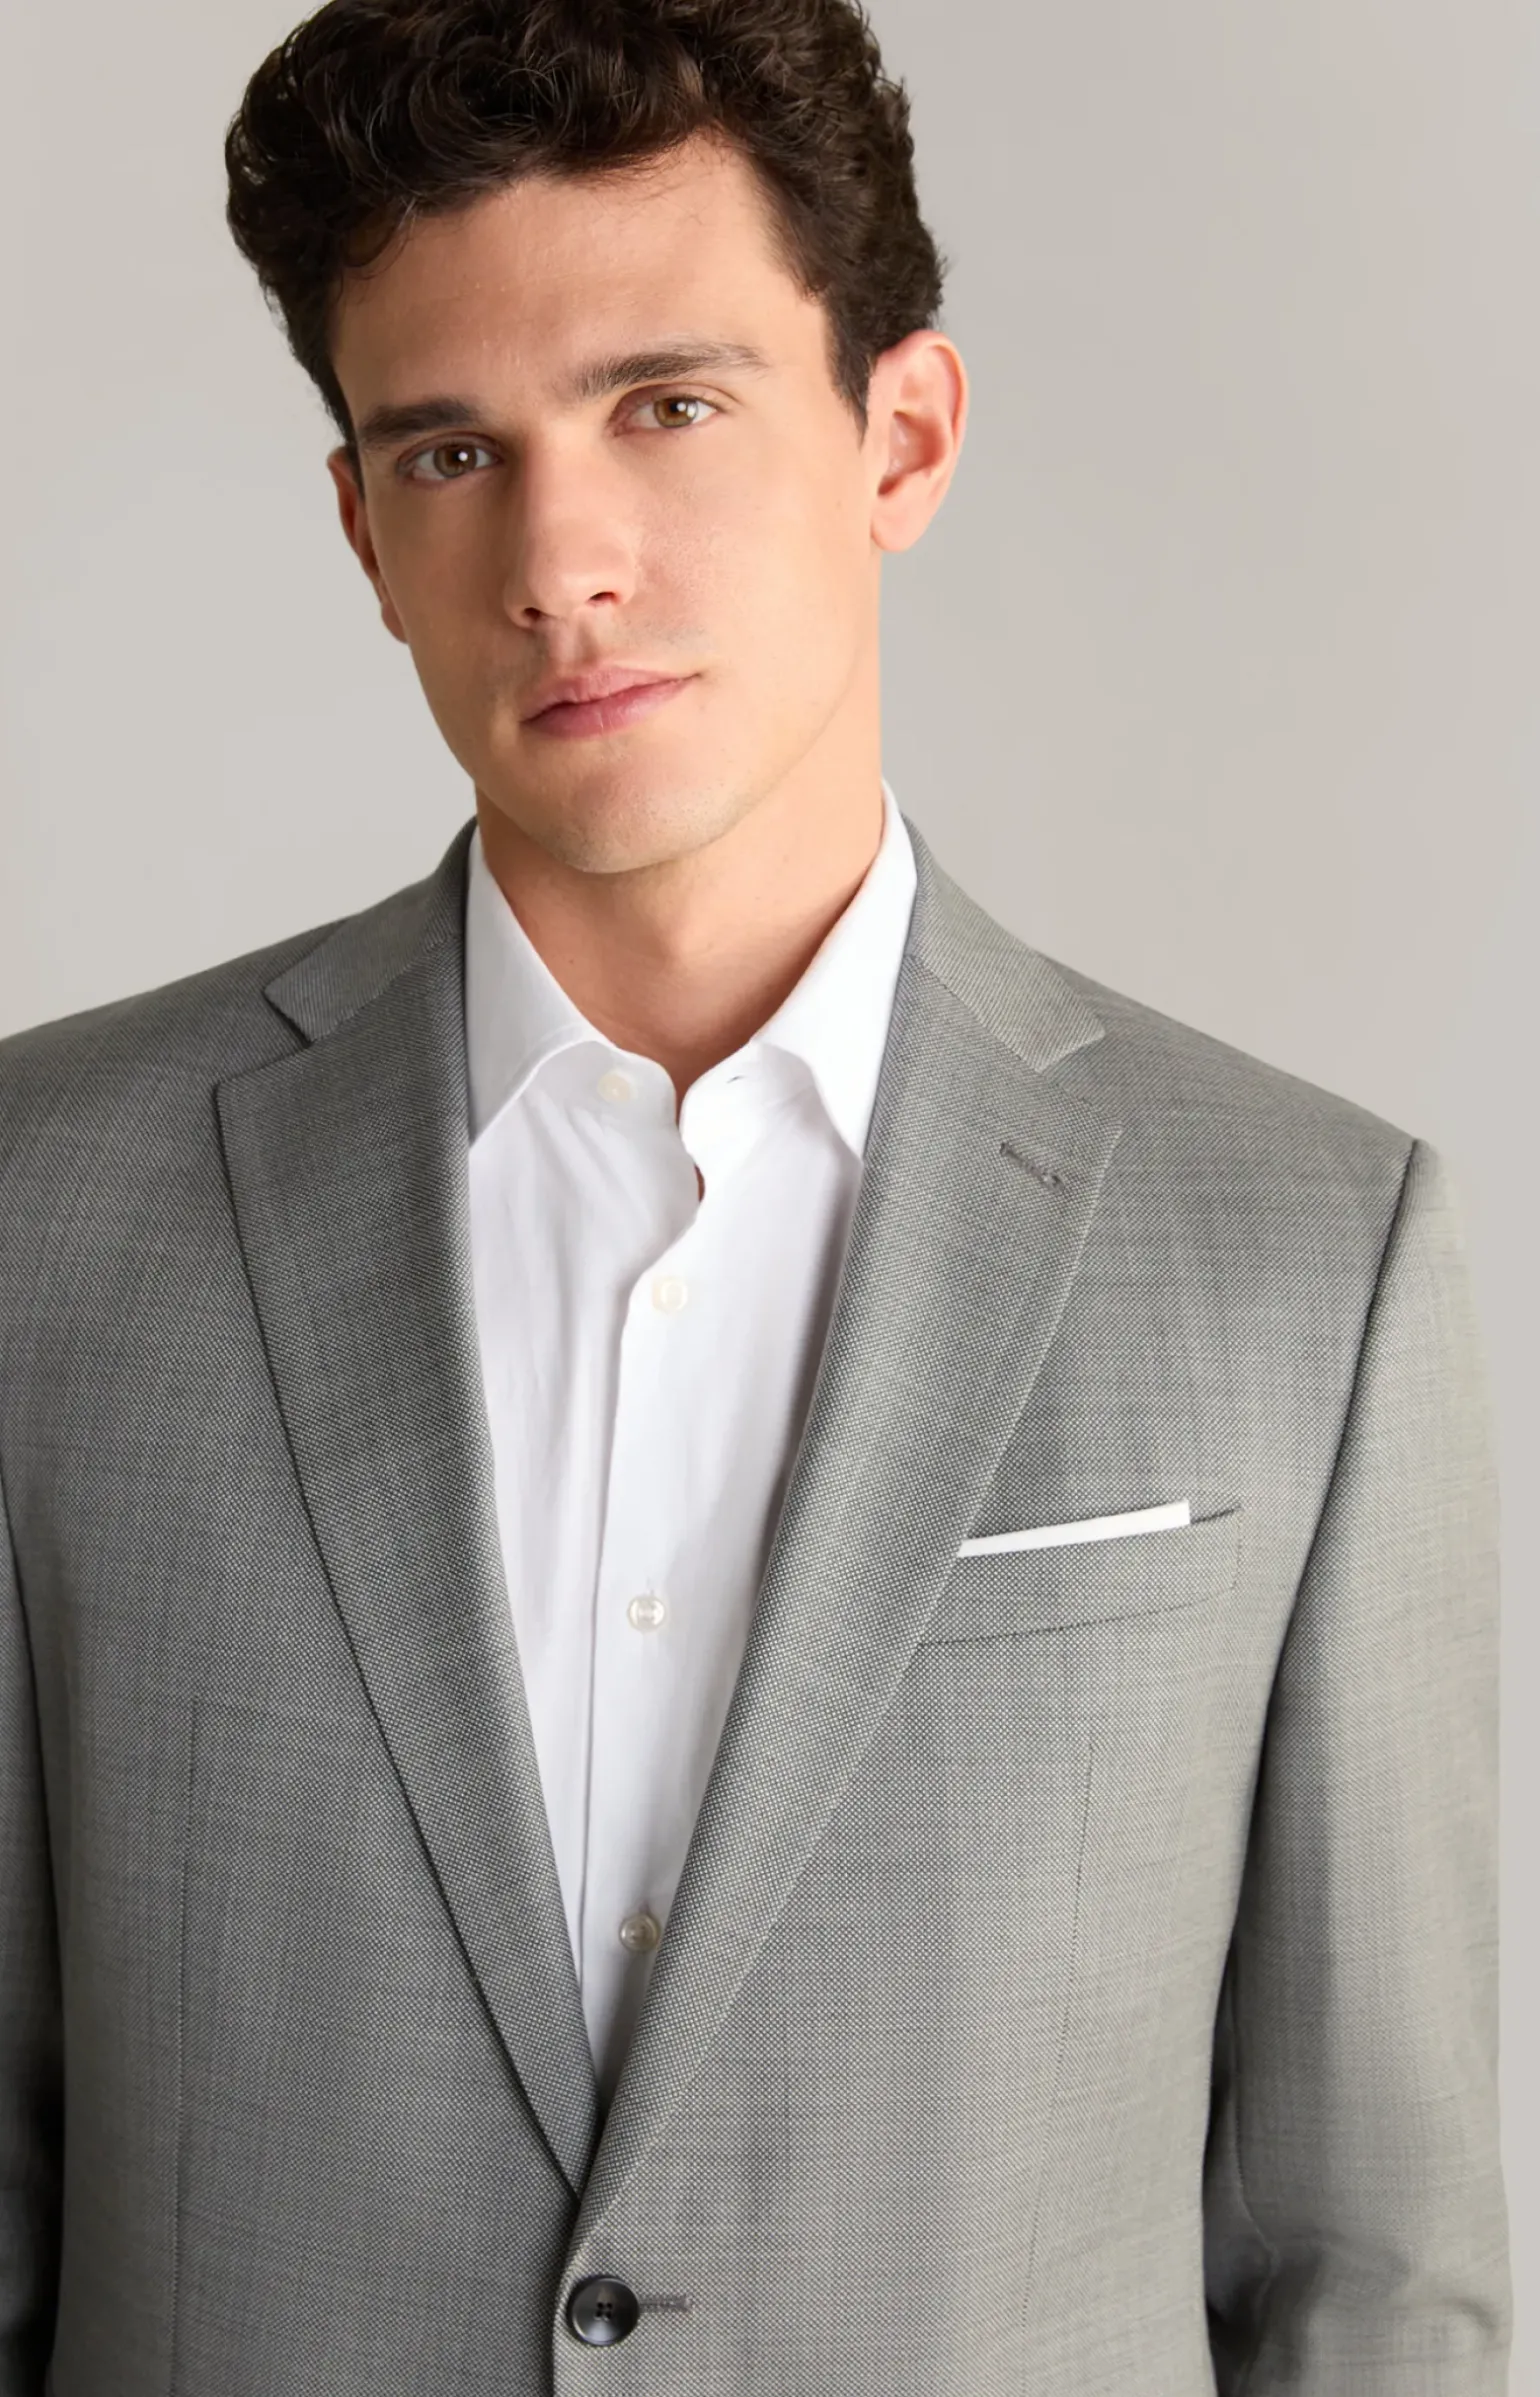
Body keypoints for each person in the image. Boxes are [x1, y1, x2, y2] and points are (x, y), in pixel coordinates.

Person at [0, 0, 1510, 2389]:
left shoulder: (1306, 1255)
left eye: (665, 406)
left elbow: (1377, 2279)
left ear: (898, 434)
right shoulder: (44, 1216)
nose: (558, 562)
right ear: (365, 532)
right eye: (451, 451)